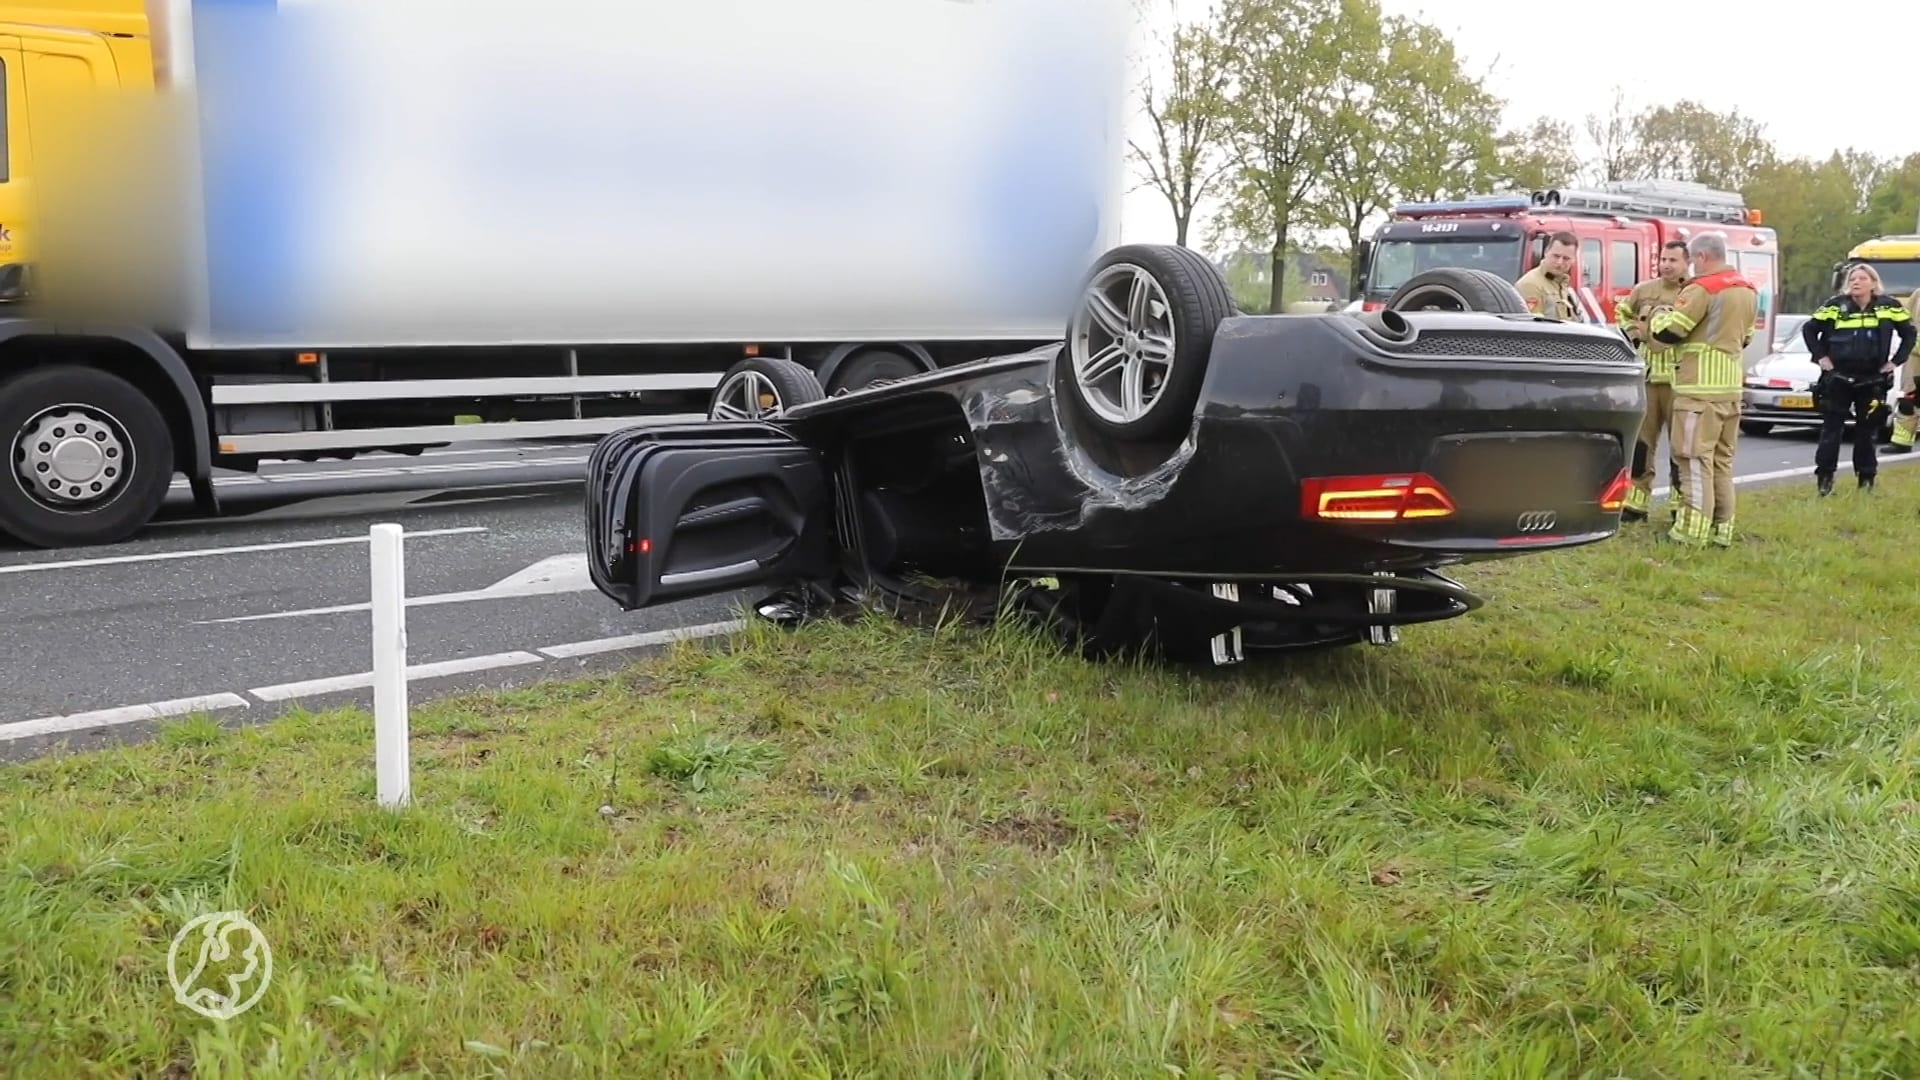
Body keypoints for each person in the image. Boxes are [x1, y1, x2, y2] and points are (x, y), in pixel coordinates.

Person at [1648, 232, 1757, 547]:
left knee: (1694, 460)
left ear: (1702, 257)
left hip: (1698, 390)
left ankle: (1691, 533)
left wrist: (1657, 316)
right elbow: (1746, 338)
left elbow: (1672, 331)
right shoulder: (1747, 290)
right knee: (1721, 462)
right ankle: (1722, 529)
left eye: (1693, 259)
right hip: (1730, 389)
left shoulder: (1702, 288)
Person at [1801, 264, 1915, 493]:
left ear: (1873, 283)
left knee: (1867, 432)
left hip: (1873, 379)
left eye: (1862, 278)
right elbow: (1809, 329)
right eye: (1853, 278)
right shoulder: (1835, 305)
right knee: (1831, 430)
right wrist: (1821, 358)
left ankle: (1866, 480)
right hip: (1838, 377)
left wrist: (1895, 362)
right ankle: (1824, 480)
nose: (1856, 282)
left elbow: (1909, 333)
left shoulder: (1889, 306)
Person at [1612, 239, 1690, 522]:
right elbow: (1622, 312)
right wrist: (1633, 331)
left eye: (1673, 260)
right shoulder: (1644, 290)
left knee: (1682, 448)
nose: (1666, 265)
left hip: (1680, 382)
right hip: (1648, 379)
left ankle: (1680, 505)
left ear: (1687, 262)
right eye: (1663, 260)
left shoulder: (1694, 292)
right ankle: (1636, 502)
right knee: (1642, 445)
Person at [1515, 232, 1578, 321]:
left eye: (1566, 258)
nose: (1560, 262)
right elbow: (1533, 327)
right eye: (1556, 256)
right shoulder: (1530, 284)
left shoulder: (1561, 284)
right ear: (1546, 252)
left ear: (1574, 260)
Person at [1890, 286, 1920, 455]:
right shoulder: (1918, 294)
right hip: (1915, 360)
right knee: (1909, 400)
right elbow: (1906, 322)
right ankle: (1901, 442)